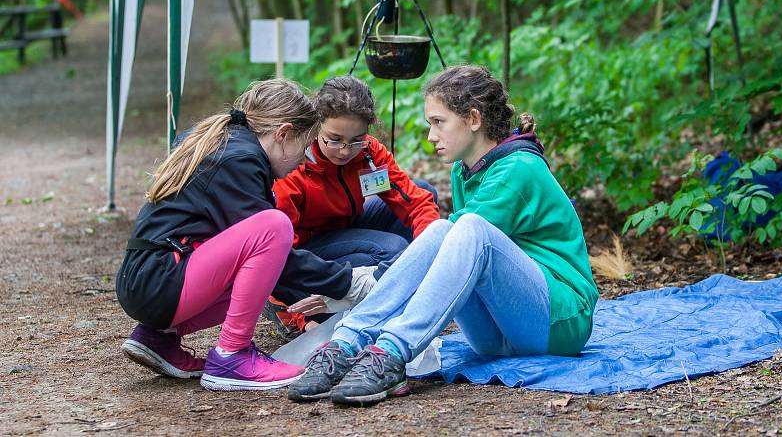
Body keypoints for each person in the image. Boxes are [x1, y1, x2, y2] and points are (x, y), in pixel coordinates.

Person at [287, 65, 599, 405]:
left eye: (438, 122)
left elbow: (457, 248)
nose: (431, 135)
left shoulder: (518, 169)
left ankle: (391, 352)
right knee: (443, 227)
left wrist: (350, 288)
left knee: (464, 228)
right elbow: (448, 255)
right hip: (497, 333)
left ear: (474, 119)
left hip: (559, 322)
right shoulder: (462, 170)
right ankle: (345, 343)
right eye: (429, 124)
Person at [116, 79, 354, 392]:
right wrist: (349, 283)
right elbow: (277, 255)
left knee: (261, 253)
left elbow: (262, 267)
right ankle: (233, 354)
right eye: (305, 145)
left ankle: (158, 338)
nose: (304, 159)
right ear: (283, 134)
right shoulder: (238, 160)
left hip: (149, 278)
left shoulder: (227, 144)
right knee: (275, 226)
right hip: (158, 280)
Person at [267, 75, 440, 334]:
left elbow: (415, 203)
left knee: (425, 193)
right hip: (305, 248)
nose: (345, 151)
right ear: (317, 126)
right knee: (391, 250)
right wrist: (297, 319)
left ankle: (398, 297)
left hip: (347, 227)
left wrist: (429, 254)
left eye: (356, 140)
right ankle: (374, 303)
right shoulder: (294, 166)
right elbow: (275, 255)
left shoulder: (368, 154)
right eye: (334, 139)